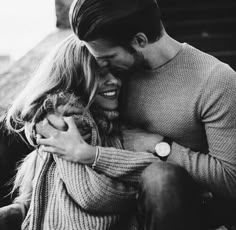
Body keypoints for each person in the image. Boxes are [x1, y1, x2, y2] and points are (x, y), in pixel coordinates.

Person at [35, 0, 236, 229]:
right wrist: (49, 123)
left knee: (161, 179)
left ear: (140, 40)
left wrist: (161, 146)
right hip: (111, 201)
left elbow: (231, 179)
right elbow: (47, 96)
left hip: (176, 206)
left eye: (108, 58)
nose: (102, 66)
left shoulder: (216, 81)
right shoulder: (113, 67)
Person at [0, 35, 161, 230]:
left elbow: (74, 196)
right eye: (100, 74)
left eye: (116, 73)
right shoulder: (59, 127)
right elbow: (77, 196)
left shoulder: (111, 130)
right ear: (74, 79)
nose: (114, 81)